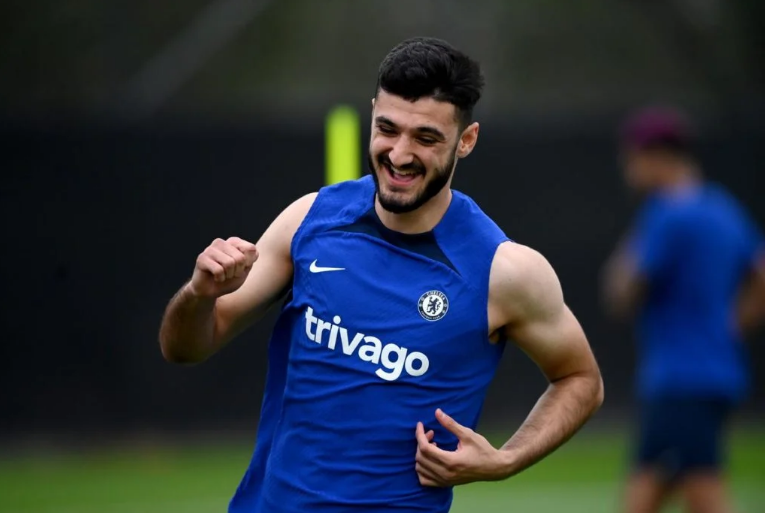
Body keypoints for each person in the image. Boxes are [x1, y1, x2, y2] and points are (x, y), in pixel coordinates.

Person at [159, 37, 604, 513]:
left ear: (466, 140)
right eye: (387, 129)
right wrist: (199, 294)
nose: (400, 154)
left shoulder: (504, 271)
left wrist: (505, 460)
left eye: (426, 138)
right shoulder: (310, 219)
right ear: (372, 114)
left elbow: (581, 380)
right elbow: (183, 348)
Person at [602, 106, 764, 513]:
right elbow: (761, 273)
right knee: (646, 494)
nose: (628, 168)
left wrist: (627, 256)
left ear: (656, 157)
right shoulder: (722, 207)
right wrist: (732, 324)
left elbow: (623, 293)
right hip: (718, 371)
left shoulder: (667, 215)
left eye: (633, 158)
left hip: (681, 379)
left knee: (703, 495)